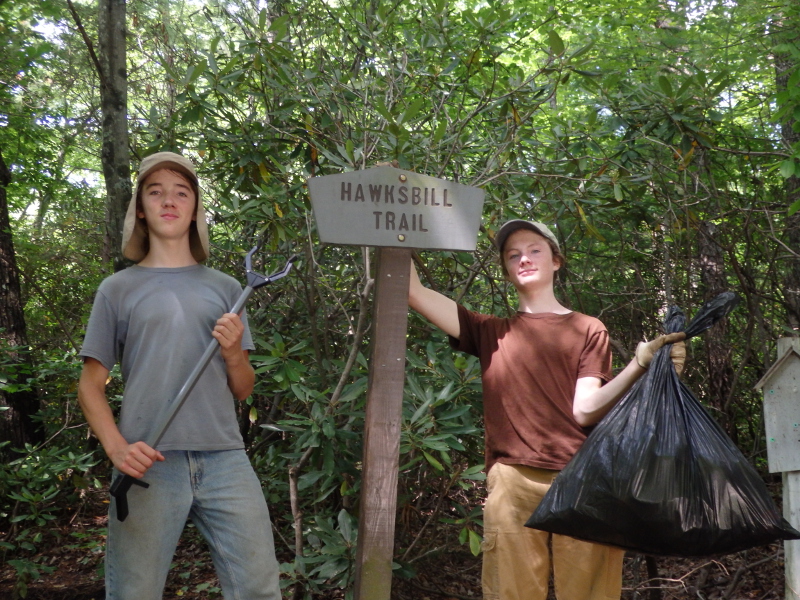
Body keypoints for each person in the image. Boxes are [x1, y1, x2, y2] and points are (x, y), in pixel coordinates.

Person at [408, 219, 685, 600]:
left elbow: (586, 410)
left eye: (534, 250)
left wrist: (639, 365)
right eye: (513, 255)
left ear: (556, 261)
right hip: (513, 482)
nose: (524, 258)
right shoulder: (489, 332)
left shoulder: (588, 328)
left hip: (584, 482)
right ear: (506, 270)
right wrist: (388, 210)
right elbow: (412, 290)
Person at [78, 151, 282, 600]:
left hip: (225, 459)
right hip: (148, 463)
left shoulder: (228, 288)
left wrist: (232, 353)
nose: (168, 200)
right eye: (155, 192)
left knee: (259, 589)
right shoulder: (117, 290)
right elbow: (90, 385)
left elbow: (243, 387)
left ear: (194, 210)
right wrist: (117, 448)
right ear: (140, 210)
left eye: (181, 192)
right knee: (135, 591)